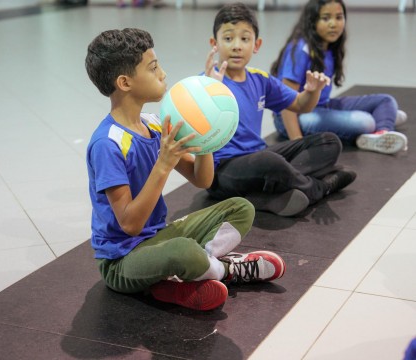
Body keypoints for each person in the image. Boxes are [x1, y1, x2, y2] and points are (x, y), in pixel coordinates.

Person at [85, 28, 286, 311]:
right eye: (153, 68)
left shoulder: (155, 124)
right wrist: (163, 165)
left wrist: (207, 137)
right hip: (121, 260)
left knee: (241, 208)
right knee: (182, 251)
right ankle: (225, 270)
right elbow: (130, 225)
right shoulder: (107, 144)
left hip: (158, 238)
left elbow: (202, 180)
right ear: (125, 82)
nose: (163, 74)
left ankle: (178, 279)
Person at [203, 2, 356, 217]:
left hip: (259, 158)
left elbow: (301, 105)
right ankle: (320, 188)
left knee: (329, 142)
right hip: (223, 172)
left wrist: (312, 91)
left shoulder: (260, 79)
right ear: (214, 44)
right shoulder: (204, 83)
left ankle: (262, 196)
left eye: (245, 39)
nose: (237, 46)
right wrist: (209, 92)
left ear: (256, 45)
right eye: (228, 38)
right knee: (271, 163)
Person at [270, 0, 408, 155]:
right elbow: (286, 103)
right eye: (326, 18)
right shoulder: (301, 49)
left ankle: (382, 133)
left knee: (386, 101)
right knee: (366, 121)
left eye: (339, 17)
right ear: (312, 21)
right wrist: (297, 142)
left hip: (322, 106)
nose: (333, 24)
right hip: (297, 115)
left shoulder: (330, 46)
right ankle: (379, 122)